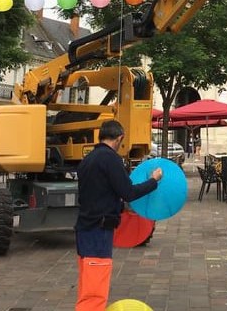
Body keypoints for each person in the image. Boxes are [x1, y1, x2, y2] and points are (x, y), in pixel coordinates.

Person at [74, 120, 163, 311]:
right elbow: (128, 192)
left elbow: (97, 194)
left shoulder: (88, 159)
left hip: (85, 230)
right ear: (120, 138)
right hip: (98, 232)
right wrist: (153, 181)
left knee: (87, 289)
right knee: (94, 294)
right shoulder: (110, 159)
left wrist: (120, 206)